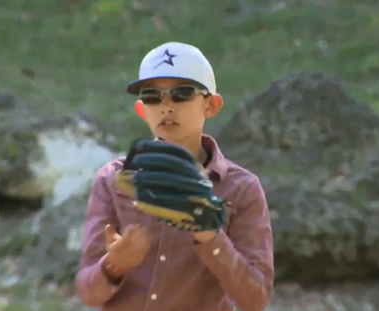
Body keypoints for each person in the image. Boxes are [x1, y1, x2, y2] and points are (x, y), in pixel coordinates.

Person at [75, 41, 274, 311]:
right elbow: (88, 293)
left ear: (211, 105)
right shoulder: (113, 180)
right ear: (141, 109)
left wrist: (210, 235)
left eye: (182, 93)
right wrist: (114, 265)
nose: (166, 106)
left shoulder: (241, 189)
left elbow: (255, 299)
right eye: (152, 96)